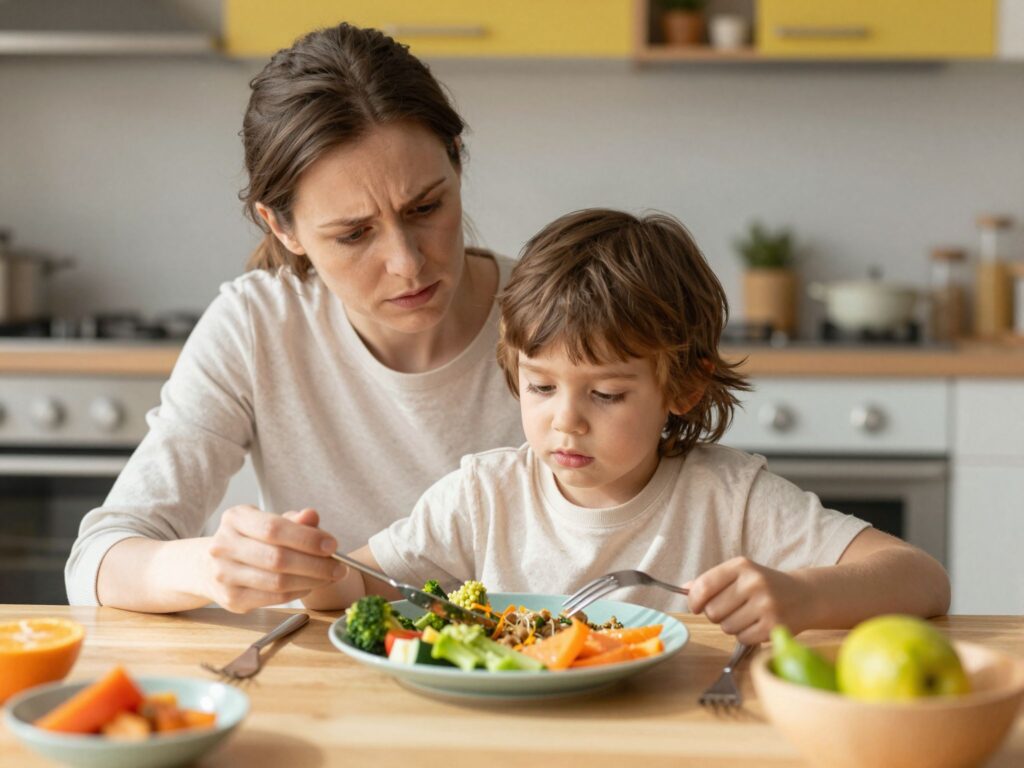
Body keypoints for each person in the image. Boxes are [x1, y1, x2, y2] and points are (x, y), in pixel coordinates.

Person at [325, 209, 951, 644]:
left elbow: (922, 579)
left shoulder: (730, 499)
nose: (564, 420)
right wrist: (311, 571)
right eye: (540, 386)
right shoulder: (481, 497)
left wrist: (804, 596)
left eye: (605, 394)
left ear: (682, 386)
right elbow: (355, 583)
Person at [65, 23, 525, 613]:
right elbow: (95, 563)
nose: (407, 263)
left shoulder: (558, 312)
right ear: (282, 227)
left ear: (457, 162)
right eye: (354, 234)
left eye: (427, 207)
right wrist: (209, 566)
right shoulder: (258, 325)